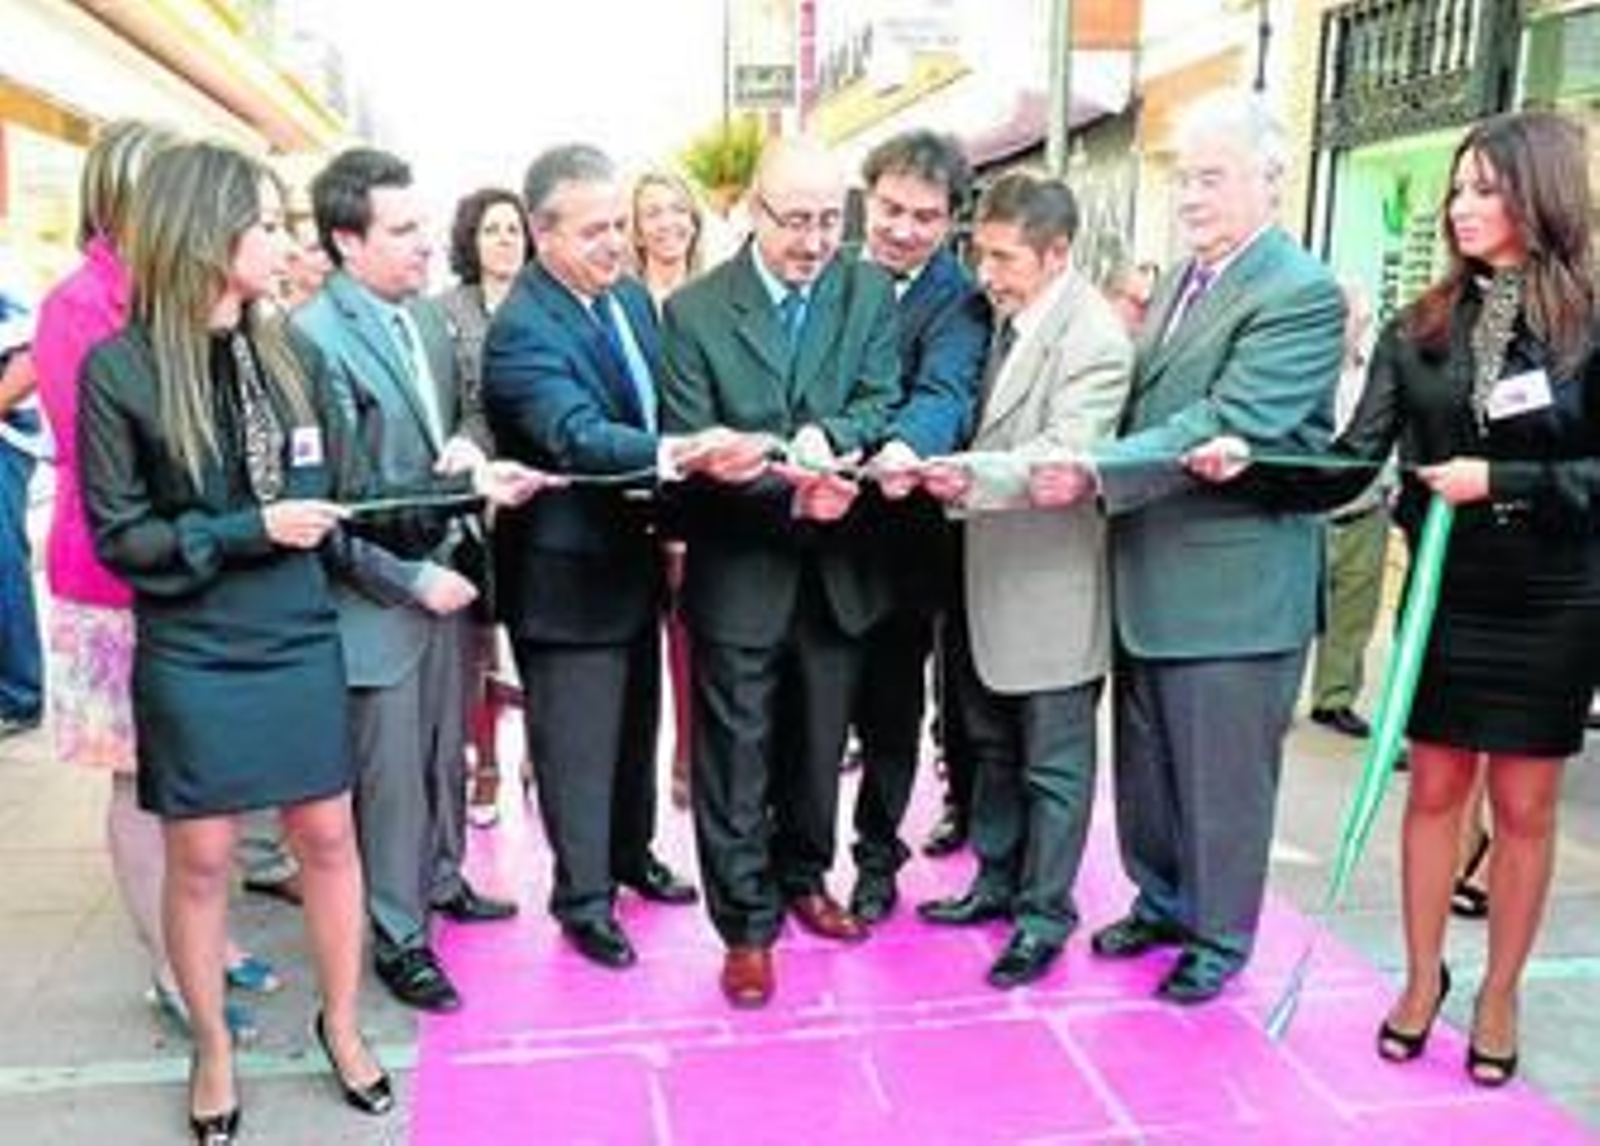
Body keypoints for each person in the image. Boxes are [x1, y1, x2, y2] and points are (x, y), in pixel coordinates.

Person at [1191, 110, 1599, 1086]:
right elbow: (1348, 462)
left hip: (1555, 599)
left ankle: (1500, 993)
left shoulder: (1590, 327)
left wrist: (1501, 482)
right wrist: (1252, 463)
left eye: (1484, 189)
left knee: (1526, 805)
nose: (1461, 207)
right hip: (1444, 598)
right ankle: (1421, 980)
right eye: (1457, 188)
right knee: (1434, 792)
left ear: (1540, 195)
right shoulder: (1418, 330)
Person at [78, 140, 398, 1144]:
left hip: (295, 630)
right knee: (204, 855)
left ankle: (341, 1024)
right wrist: (245, 529)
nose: (284, 243)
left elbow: (345, 494)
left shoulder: (292, 354)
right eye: (264, 224)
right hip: (192, 641)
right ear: (206, 234)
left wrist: (466, 484)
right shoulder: (120, 369)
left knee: (328, 835)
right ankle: (212, 1045)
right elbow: (122, 538)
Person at [1030, 90, 1345, 1004]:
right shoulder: (1179, 280)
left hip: (1234, 591)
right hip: (1152, 572)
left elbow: (1229, 418)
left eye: (1213, 178)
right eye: (1184, 177)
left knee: (1221, 780)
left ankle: (1219, 933)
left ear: (1271, 181)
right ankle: (1163, 900)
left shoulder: (1299, 291)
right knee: (1152, 767)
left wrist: (1092, 467)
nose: (1192, 196)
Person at [33, 120, 280, 1038]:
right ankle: (172, 967)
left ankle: (203, 937)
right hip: (115, 582)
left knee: (196, 777)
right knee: (137, 781)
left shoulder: (188, 291)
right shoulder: (77, 305)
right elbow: (106, 463)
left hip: (198, 566)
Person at [659, 136, 900, 1008]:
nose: (813, 240)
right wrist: (793, 491)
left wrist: (833, 443)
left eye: (831, 220)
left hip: (839, 567)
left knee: (818, 746)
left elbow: (879, 398)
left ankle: (804, 878)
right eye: (795, 220)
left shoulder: (866, 291)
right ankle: (746, 926)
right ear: (751, 212)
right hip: (742, 563)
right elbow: (692, 440)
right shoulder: (694, 311)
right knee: (736, 758)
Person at [482, 144, 731, 970]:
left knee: (634, 729)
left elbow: (657, 398)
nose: (617, 243)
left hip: (632, 558)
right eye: (594, 231)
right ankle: (584, 899)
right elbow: (577, 436)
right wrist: (681, 453)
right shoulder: (521, 329)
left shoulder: (625, 299)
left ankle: (632, 854)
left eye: (619, 224)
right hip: (564, 576)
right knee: (577, 749)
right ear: (541, 232)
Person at [293, 148, 519, 1015]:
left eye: (423, 225)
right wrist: (408, 578)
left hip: (448, 571)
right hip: (378, 594)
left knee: (444, 750)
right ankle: (397, 934)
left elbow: (466, 411)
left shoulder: (424, 318)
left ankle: (445, 877)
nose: (427, 243)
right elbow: (324, 507)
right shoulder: (312, 339)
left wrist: (469, 444)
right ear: (347, 241)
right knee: (388, 780)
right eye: (404, 229)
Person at [913, 171, 1132, 989]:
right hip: (985, 576)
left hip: (1050, 586)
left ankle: (1044, 915)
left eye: (1005, 258)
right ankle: (996, 883)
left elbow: (1063, 454)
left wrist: (958, 475)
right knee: (994, 750)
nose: (988, 274)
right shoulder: (1002, 321)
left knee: (1053, 766)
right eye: (983, 255)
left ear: (1057, 252)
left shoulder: (1094, 338)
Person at [845, 129, 986, 922]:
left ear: (951, 219)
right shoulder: (827, 271)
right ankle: (796, 859)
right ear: (866, 197)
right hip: (810, 534)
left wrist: (902, 448)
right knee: (808, 712)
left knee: (891, 716)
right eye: (890, 208)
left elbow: (945, 392)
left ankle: (877, 859)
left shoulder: (960, 299)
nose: (902, 229)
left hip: (903, 541)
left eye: (924, 217)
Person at [437, 185, 533, 829]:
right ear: (470, 240)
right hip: (471, 493)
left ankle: (540, 757)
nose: (504, 239)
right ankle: (487, 765)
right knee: (476, 640)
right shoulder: (443, 311)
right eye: (491, 229)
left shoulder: (545, 302)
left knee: (534, 633)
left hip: (534, 487)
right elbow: (449, 403)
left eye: (513, 228)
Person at [631, 170, 708, 810]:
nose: (667, 223)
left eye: (677, 209)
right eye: (652, 212)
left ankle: (689, 753)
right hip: (635, 480)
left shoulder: (717, 294)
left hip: (700, 487)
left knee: (692, 625)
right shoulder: (624, 301)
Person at [1307, 279, 1390, 739]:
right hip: (1308, 510)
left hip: (1365, 507)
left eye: (1354, 319)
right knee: (1293, 610)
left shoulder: (1377, 369)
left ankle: (1333, 699)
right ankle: (1272, 701)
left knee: (1354, 610)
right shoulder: (1303, 367)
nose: (1346, 327)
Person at [0, 250, 43, 740]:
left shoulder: (6, 268)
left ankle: (17, 695)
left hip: (5, 436)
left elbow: (31, 358)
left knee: (3, 558)